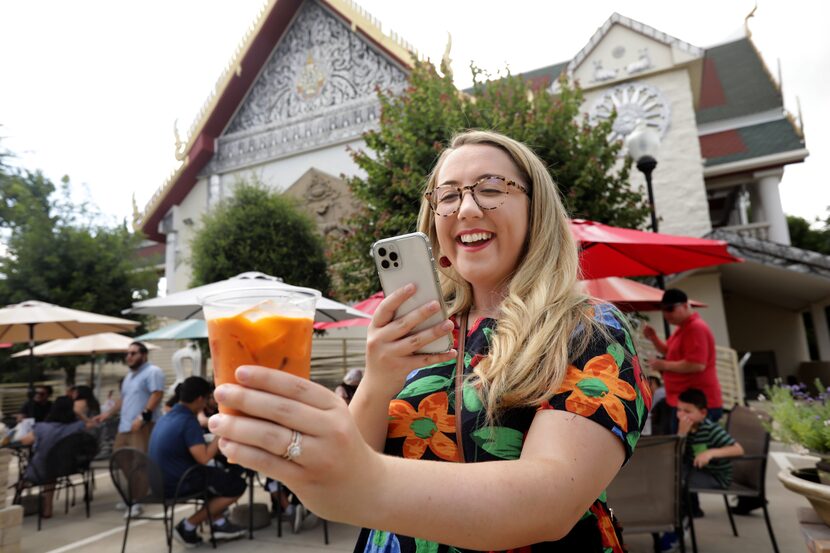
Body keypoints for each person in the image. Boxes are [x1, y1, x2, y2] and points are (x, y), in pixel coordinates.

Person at [207, 130, 652, 552]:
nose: (467, 208)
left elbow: (552, 501)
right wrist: (377, 378)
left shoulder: (587, 327)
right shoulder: (423, 330)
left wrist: (366, 480)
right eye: (449, 195)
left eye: (491, 188)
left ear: (536, 211)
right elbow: (349, 476)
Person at [148, 376, 247, 546]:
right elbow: (204, 458)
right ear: (200, 399)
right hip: (179, 482)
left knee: (217, 481)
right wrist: (220, 432)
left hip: (158, 480)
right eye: (208, 398)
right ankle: (187, 526)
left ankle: (218, 523)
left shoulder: (167, 415)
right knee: (236, 485)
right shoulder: (188, 421)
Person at [659, 388, 743, 551]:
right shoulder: (686, 427)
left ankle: (680, 526)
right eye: (679, 410)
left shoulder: (711, 429)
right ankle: (671, 519)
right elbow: (677, 455)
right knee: (669, 477)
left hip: (716, 476)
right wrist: (681, 435)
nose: (681, 415)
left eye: (687, 411)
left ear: (703, 413)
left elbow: (738, 449)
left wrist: (711, 452)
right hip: (696, 471)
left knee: (678, 483)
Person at [95, 341, 165, 517]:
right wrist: (108, 414)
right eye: (127, 354)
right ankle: (136, 494)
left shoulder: (153, 371)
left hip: (141, 425)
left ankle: (137, 501)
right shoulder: (129, 377)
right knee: (120, 459)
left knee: (139, 463)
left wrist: (143, 417)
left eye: (133, 353)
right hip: (124, 426)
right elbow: (123, 399)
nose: (129, 357)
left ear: (144, 355)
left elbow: (157, 394)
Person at [644, 288, 722, 432]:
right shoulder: (683, 328)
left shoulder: (695, 328)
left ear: (685, 305)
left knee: (693, 449)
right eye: (663, 309)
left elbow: (697, 365)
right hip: (686, 403)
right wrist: (653, 337)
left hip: (697, 405)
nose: (666, 314)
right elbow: (669, 352)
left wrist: (664, 365)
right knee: (684, 448)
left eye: (670, 309)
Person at [18, 396, 92, 518]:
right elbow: (92, 424)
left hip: (41, 469)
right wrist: (79, 414)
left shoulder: (42, 427)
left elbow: (25, 441)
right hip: (68, 466)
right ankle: (48, 507)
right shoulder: (77, 426)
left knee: (36, 468)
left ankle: (18, 500)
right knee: (51, 469)